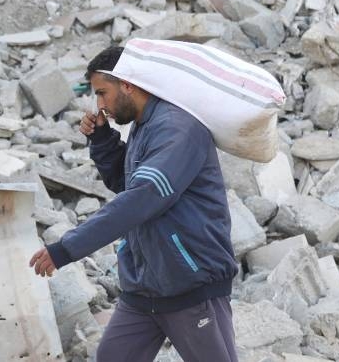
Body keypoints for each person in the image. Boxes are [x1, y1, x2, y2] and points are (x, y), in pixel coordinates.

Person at [29, 46, 238, 362]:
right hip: (144, 289)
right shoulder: (144, 125)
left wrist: (67, 249)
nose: (99, 106)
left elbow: (141, 199)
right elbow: (126, 183)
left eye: (103, 93)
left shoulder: (179, 129)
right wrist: (102, 140)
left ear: (127, 83)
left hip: (190, 286)